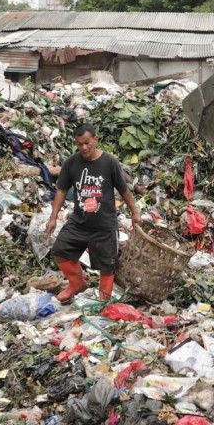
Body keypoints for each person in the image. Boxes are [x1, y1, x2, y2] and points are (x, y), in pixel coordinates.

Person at [45, 123, 140, 303]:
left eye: (87, 143)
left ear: (95, 140)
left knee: (107, 266)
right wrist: (53, 219)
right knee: (60, 251)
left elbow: (124, 190)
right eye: (79, 144)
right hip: (80, 222)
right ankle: (76, 284)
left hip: (104, 225)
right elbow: (61, 190)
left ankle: (103, 303)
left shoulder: (109, 162)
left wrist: (135, 213)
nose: (84, 147)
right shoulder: (71, 163)